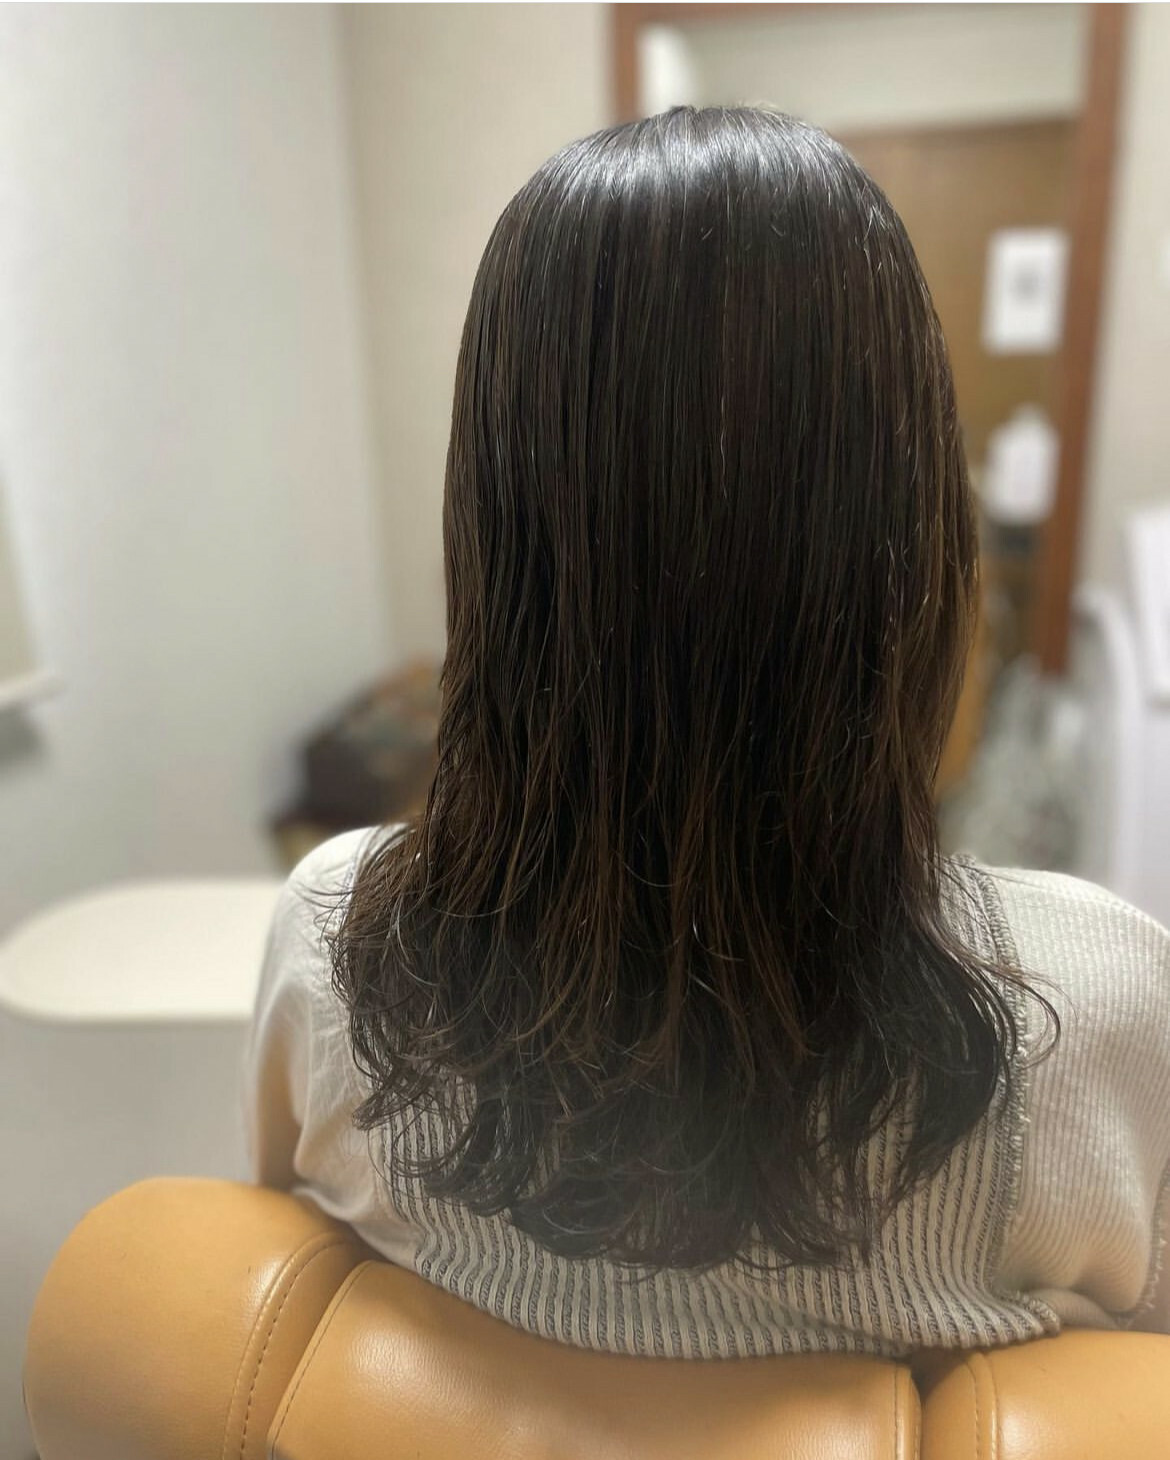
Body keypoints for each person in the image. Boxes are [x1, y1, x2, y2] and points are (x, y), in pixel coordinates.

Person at [246, 106, 1170, 1358]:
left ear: (495, 534)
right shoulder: (1101, 1003)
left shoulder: (331, 939)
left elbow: (288, 1252)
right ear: (910, 555)